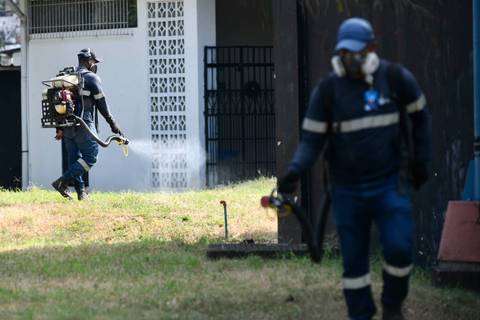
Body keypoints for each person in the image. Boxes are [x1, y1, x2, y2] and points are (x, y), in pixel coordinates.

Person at [277, 18, 431, 320]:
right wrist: (295, 170)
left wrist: (420, 162)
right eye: (345, 54)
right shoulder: (328, 91)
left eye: (357, 53)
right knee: (354, 262)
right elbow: (311, 141)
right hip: (346, 188)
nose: (351, 60)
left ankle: (392, 306)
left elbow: (421, 118)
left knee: (399, 248)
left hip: (390, 183)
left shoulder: (396, 79)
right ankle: (360, 314)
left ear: (372, 48)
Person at [51, 48, 123, 200]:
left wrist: (59, 128)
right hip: (84, 123)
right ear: (89, 61)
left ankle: (81, 193)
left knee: (74, 160)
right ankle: (62, 182)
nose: (95, 65)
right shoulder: (91, 78)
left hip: (67, 125)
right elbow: (102, 104)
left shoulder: (68, 77)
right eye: (94, 62)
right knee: (91, 156)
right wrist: (113, 124)